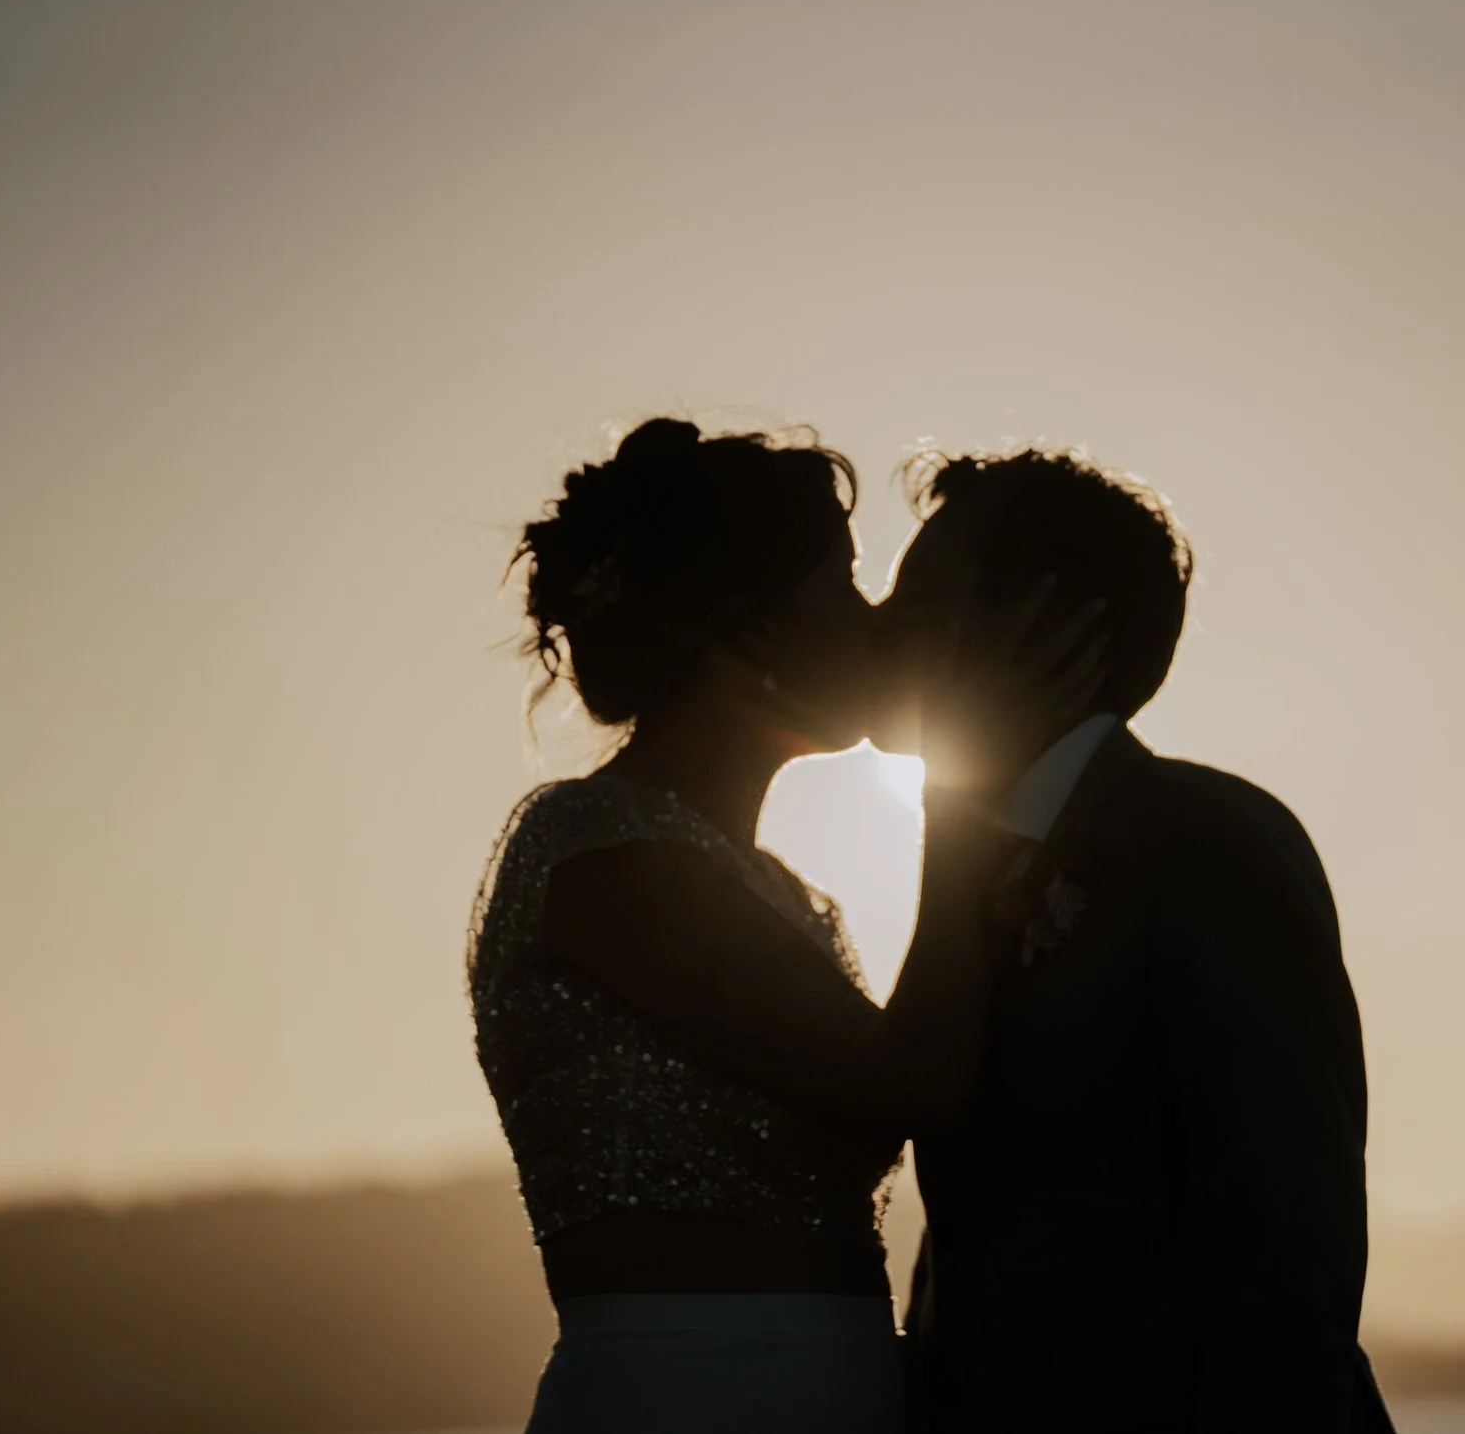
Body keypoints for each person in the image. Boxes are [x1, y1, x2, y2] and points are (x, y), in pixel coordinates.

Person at [467, 418, 1104, 1434]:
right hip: (683, 1393)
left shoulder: (778, 889)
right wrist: (958, 773)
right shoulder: (599, 851)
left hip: (837, 1383)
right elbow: (916, 1078)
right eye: (844, 584)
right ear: (753, 626)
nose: (876, 622)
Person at [880, 448, 1394, 1433]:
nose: (882, 630)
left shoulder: (1206, 840)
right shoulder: (966, 867)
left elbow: (1285, 1257)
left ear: (1041, 619)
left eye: (919, 599)